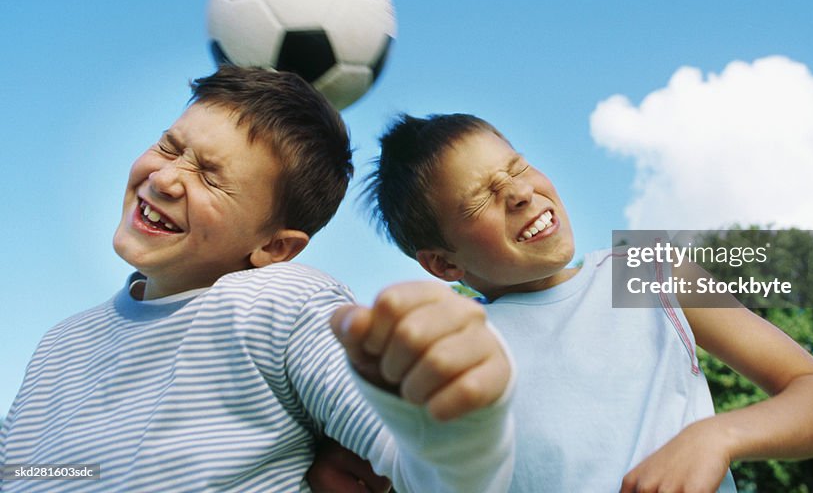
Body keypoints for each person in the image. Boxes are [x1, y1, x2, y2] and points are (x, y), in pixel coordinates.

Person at [0, 69, 514, 492]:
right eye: (168, 146)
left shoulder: (280, 303)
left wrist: (464, 426)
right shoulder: (59, 344)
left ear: (275, 248)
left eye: (210, 176)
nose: (164, 177)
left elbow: (419, 467)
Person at [364, 112, 813, 493]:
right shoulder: (456, 346)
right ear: (444, 265)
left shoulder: (646, 271)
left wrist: (715, 436)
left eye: (517, 167)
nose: (518, 193)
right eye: (480, 198)